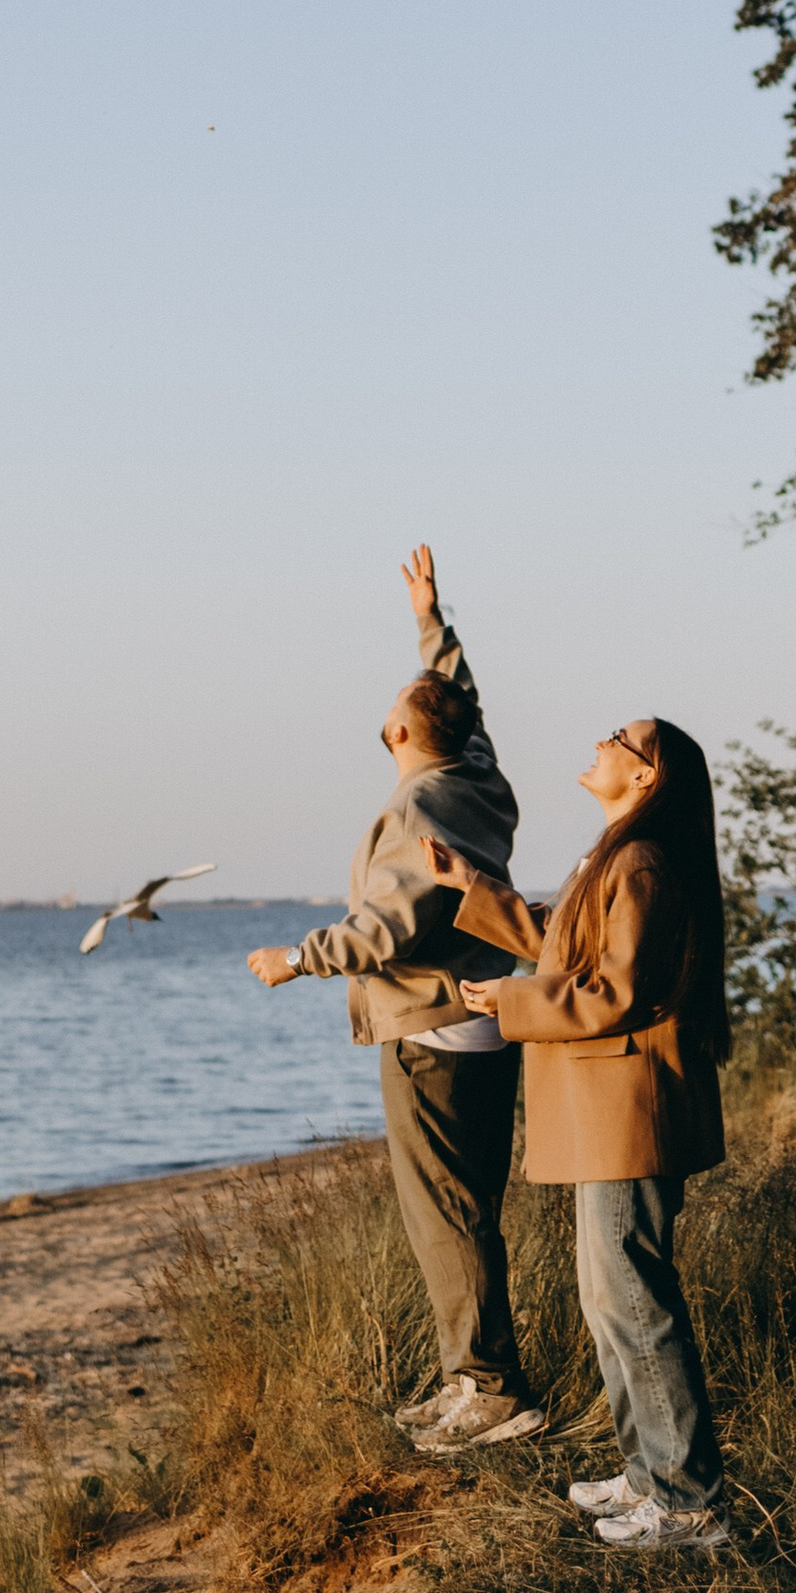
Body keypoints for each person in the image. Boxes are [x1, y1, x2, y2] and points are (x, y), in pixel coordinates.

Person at [246, 542, 545, 1452]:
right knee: (466, 1209)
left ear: (406, 737)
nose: (387, 716)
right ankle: (470, 1378)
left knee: (445, 1215)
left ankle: (492, 1391)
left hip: (433, 1030)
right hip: (484, 1020)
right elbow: (463, 699)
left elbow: (392, 929)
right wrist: (431, 619)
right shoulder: (476, 773)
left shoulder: (420, 809)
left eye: (394, 711)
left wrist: (296, 958)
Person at [430, 715, 733, 1550]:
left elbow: (617, 994)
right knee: (610, 1302)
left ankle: (687, 1504)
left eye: (620, 738)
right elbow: (570, 949)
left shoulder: (639, 860)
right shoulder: (619, 854)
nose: (601, 741)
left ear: (646, 778)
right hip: (608, 1110)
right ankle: (648, 1476)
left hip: (626, 1111)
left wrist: (512, 1003)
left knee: (634, 1302)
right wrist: (471, 889)